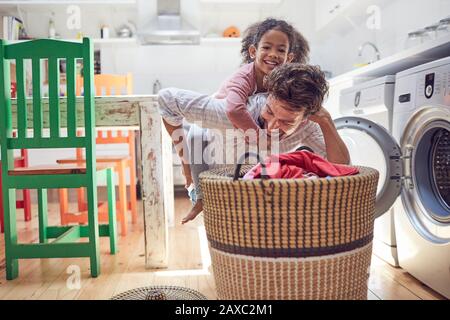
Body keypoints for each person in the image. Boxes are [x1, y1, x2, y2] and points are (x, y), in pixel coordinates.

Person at [158, 63, 350, 224]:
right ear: (268, 97)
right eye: (270, 111)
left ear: (305, 118)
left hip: (249, 182)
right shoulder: (237, 113)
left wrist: (326, 120)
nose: (273, 126)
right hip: (207, 161)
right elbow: (167, 100)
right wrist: (186, 168)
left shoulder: (309, 126)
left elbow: (341, 169)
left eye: (286, 122)